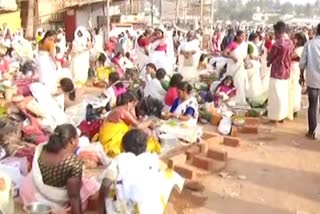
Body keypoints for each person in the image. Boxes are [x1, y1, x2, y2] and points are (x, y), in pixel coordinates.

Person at [99, 129, 184, 214]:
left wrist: (100, 209)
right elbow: (167, 174)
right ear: (146, 146)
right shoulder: (153, 159)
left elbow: (105, 184)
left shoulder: (119, 160)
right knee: (168, 175)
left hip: (123, 210)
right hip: (150, 210)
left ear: (123, 147)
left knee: (111, 191)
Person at [20, 124, 99, 213]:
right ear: (72, 141)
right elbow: (74, 197)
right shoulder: (72, 162)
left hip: (33, 196)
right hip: (57, 201)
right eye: (77, 138)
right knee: (93, 187)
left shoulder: (42, 147)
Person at [97, 91, 160, 157]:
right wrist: (150, 121)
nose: (133, 107)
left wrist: (148, 124)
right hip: (111, 141)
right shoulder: (124, 111)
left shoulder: (117, 108)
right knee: (148, 143)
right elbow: (139, 126)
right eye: (133, 104)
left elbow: (134, 123)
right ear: (129, 103)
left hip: (105, 137)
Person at [267, 21, 294, 123]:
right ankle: (282, 115)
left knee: (275, 95)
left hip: (276, 72)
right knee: (283, 94)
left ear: (277, 31)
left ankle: (275, 117)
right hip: (286, 71)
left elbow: (270, 57)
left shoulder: (277, 44)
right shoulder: (290, 43)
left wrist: (269, 61)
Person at [300, 24, 320, 139]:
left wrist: (301, 75)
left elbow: (302, 62)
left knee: (312, 105)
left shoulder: (310, 44)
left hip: (313, 79)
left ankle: (312, 131)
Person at [222, 30, 248, 105]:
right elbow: (224, 53)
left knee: (240, 84)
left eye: (244, 36)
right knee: (233, 82)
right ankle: (231, 100)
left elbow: (245, 56)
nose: (243, 38)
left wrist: (247, 62)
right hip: (233, 67)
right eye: (241, 36)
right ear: (237, 36)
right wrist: (231, 57)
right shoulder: (233, 44)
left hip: (241, 67)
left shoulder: (244, 45)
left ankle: (240, 100)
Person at [288, 32, 306, 119]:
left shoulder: (301, 49)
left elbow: (291, 56)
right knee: (292, 88)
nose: (294, 40)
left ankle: (294, 108)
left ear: (300, 40)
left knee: (294, 88)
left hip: (295, 68)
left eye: (296, 38)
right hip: (292, 67)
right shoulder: (297, 48)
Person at [246, 32, 263, 101]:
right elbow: (251, 56)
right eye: (258, 38)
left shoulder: (250, 44)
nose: (258, 40)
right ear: (254, 38)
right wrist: (259, 57)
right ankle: (251, 96)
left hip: (253, 65)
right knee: (253, 81)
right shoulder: (250, 45)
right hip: (253, 65)